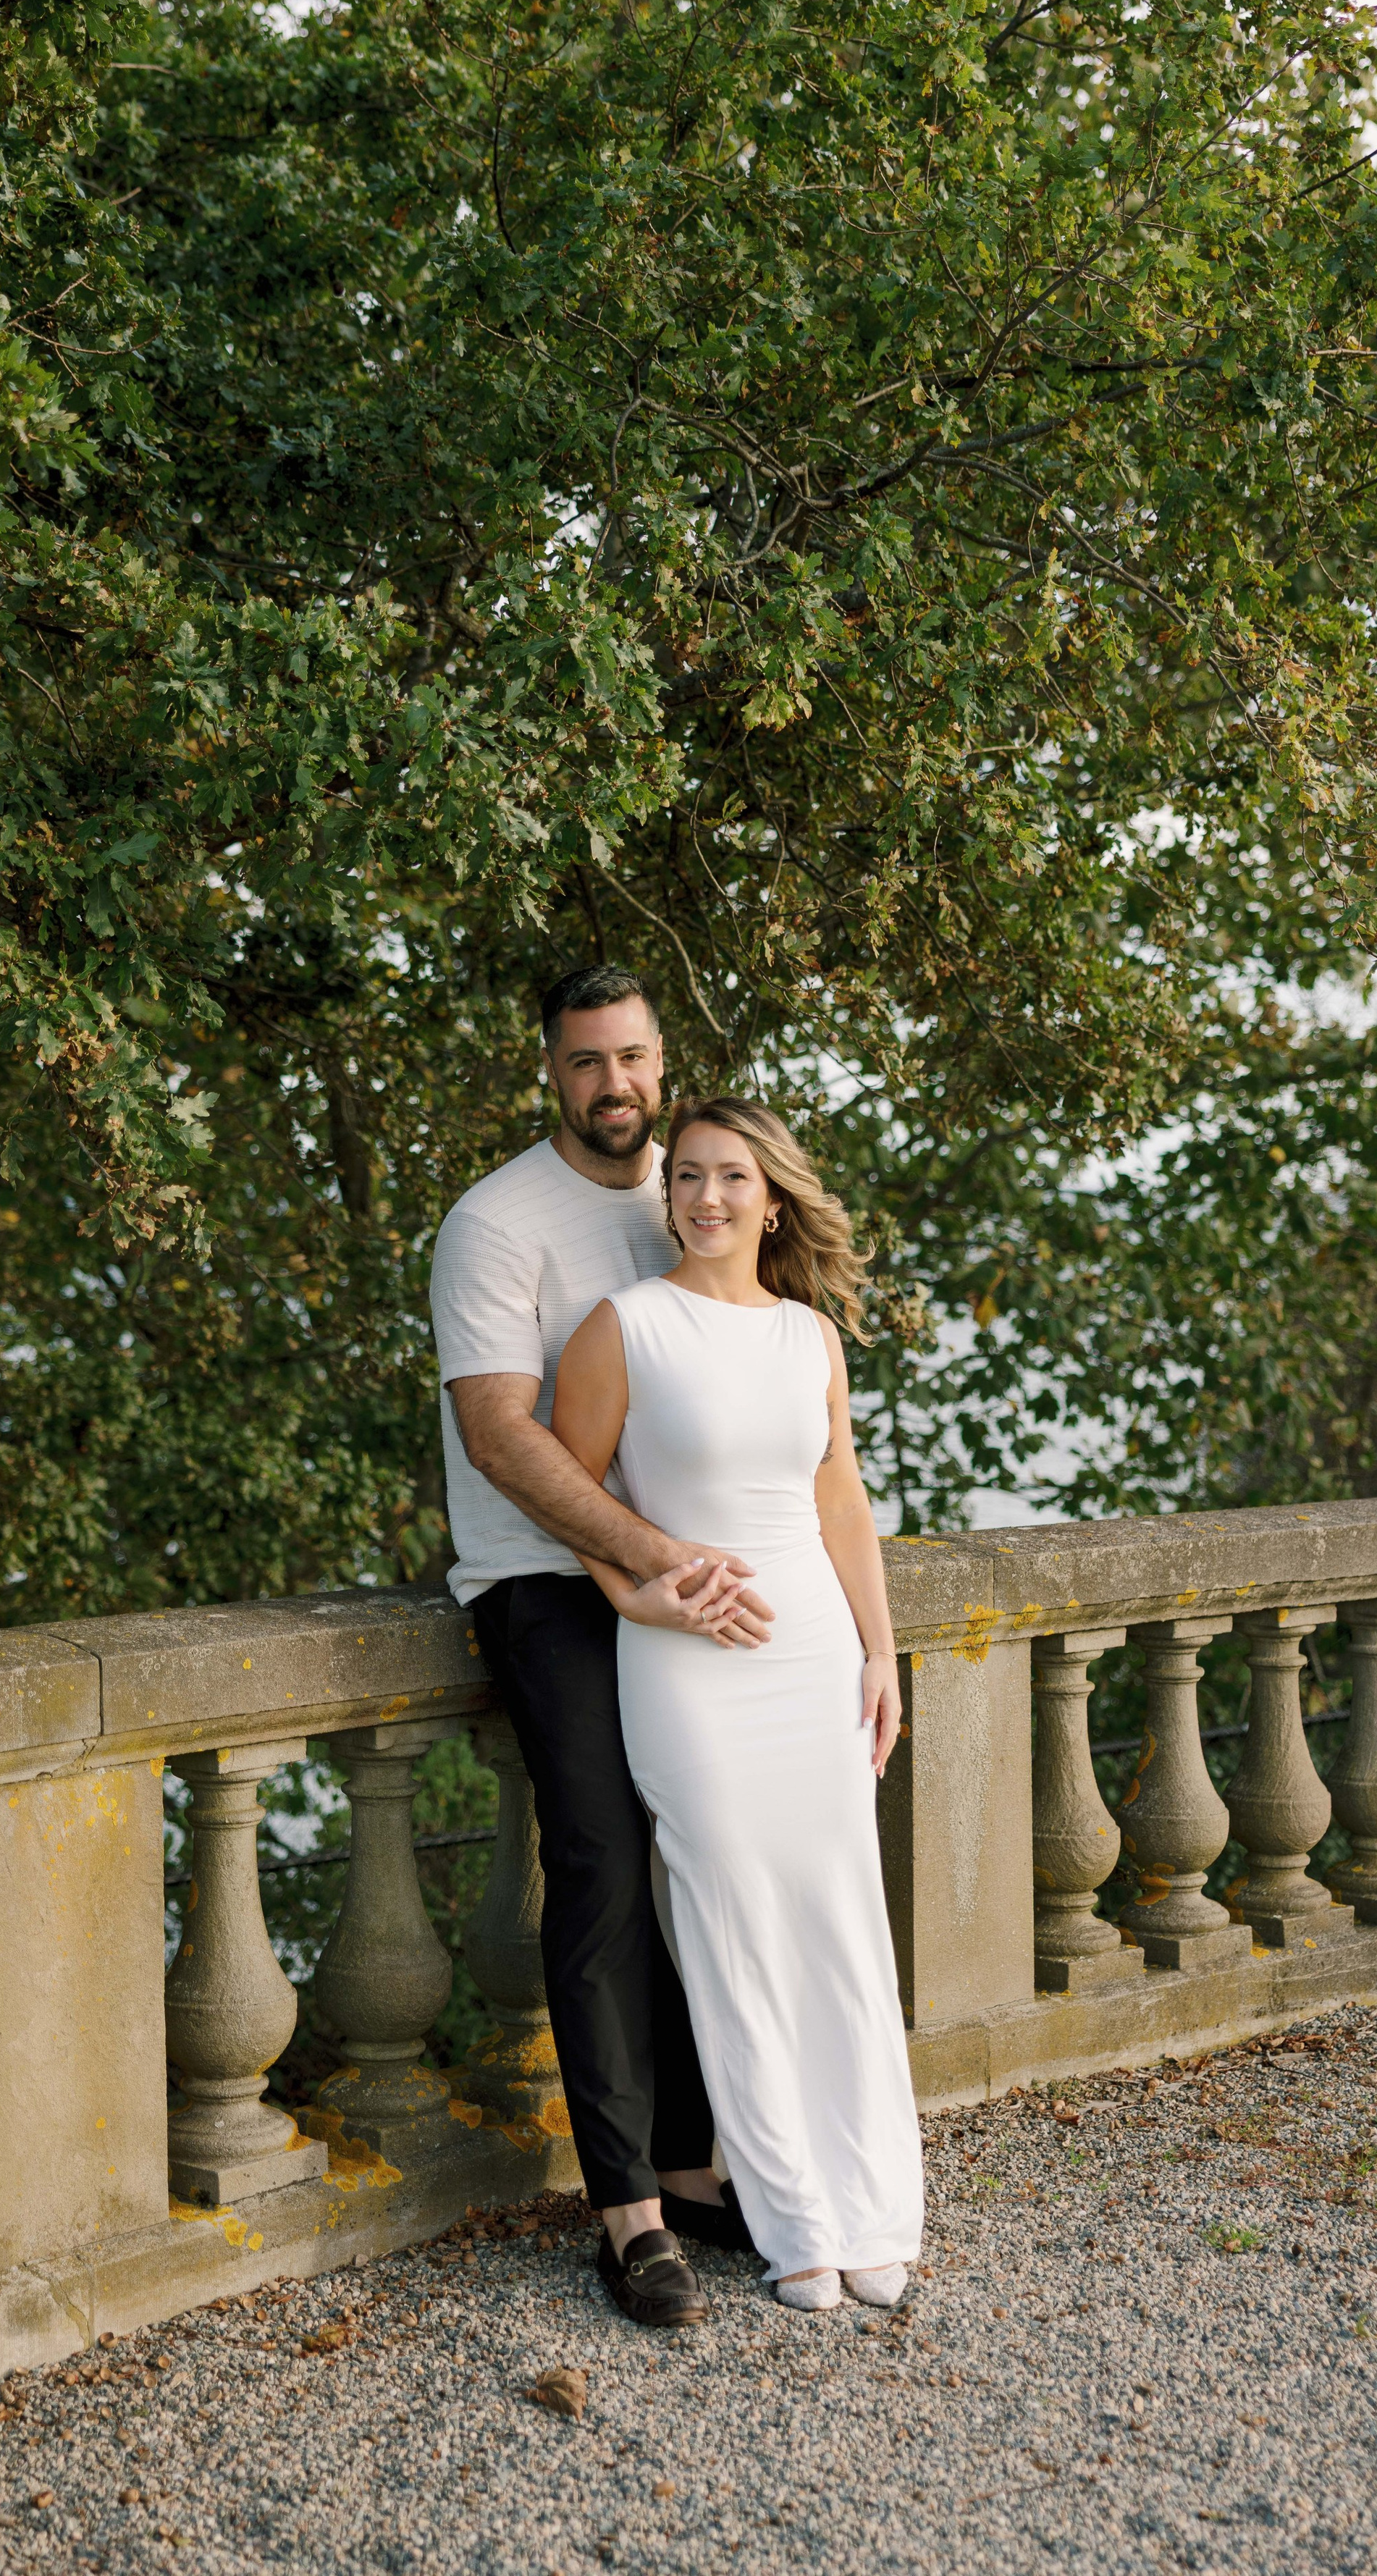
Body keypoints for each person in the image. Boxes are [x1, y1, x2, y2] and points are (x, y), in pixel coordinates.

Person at [430, 967, 775, 2329]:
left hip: (687, 1573)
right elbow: (502, 1436)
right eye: (586, 1064)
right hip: (545, 1582)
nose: (614, 1086)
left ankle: (697, 2167)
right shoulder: (496, 1223)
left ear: (662, 1056)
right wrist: (645, 1561)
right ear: (551, 1073)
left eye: (633, 1058)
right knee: (602, 1864)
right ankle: (628, 2209)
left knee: (708, 1859)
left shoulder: (699, 1187)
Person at [550, 1096, 925, 2310]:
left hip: (813, 1653)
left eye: (732, 1179)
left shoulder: (811, 1338)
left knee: (836, 1924)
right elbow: (566, 1493)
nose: (707, 1198)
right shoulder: (625, 1327)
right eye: (690, 1177)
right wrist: (639, 1598)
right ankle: (792, 2220)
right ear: (671, 1197)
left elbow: (844, 1504)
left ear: (774, 1201)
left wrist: (880, 1654)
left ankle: (875, 2208)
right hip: (686, 1674)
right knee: (731, 1927)